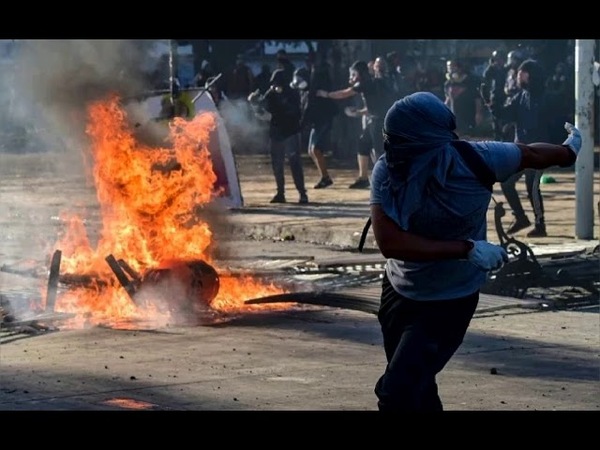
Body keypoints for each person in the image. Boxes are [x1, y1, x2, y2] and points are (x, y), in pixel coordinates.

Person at [369, 91, 581, 411]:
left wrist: (569, 152)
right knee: (419, 387)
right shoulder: (387, 171)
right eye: (390, 141)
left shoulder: (477, 159)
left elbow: (530, 154)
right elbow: (390, 243)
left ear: (432, 139)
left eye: (403, 142)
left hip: (449, 301)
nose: (394, 151)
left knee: (396, 390)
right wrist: (465, 248)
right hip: (399, 294)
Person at [489, 59, 551, 237]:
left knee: (532, 187)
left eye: (521, 74)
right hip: (521, 149)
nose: (518, 77)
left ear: (530, 75)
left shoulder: (545, 97)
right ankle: (521, 217)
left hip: (538, 150)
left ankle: (540, 225)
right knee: (507, 182)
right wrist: (495, 105)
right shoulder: (521, 96)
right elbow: (506, 114)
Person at [316, 60, 394, 189]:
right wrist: (358, 112)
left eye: (354, 74)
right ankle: (363, 178)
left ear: (360, 73)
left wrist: (326, 94)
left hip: (379, 121)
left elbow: (344, 93)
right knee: (363, 145)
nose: (352, 77)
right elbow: (374, 106)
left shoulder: (365, 83)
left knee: (380, 152)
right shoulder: (373, 83)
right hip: (375, 119)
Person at [248, 68, 308, 204]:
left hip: (291, 132)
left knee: (295, 164)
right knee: (277, 165)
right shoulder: (271, 93)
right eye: (274, 83)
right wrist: (254, 103)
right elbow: (262, 109)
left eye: (278, 83)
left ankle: (302, 193)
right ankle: (280, 193)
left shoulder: (293, 94)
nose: (275, 86)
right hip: (276, 133)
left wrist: (275, 116)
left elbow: (295, 113)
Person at [291, 64, 338, 189]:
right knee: (311, 151)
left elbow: (307, 111)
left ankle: (325, 177)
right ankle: (325, 176)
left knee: (316, 149)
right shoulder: (305, 92)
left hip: (323, 121)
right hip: (316, 123)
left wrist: (300, 126)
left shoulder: (313, 91)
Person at [480, 49, 509, 140]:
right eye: (497, 59)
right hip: (495, 99)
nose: (499, 61)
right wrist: (487, 100)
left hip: (507, 99)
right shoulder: (490, 70)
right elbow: (484, 86)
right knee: (496, 122)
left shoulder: (507, 70)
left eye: (500, 59)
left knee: (506, 122)